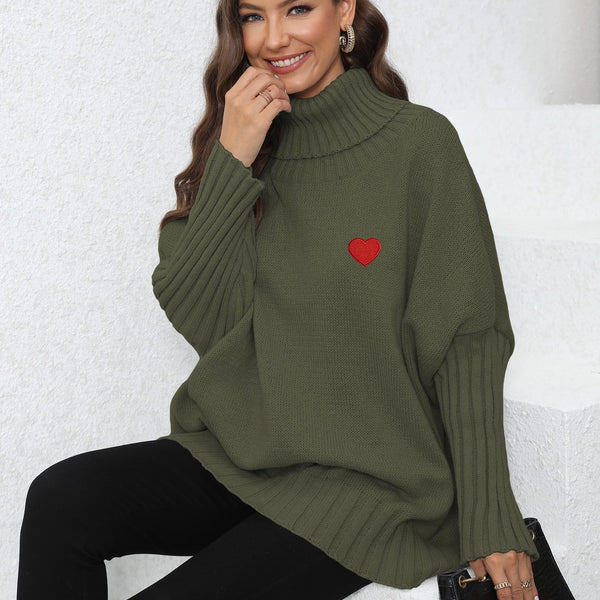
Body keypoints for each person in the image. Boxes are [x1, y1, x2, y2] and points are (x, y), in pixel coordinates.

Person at [16, 1, 541, 599]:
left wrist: (489, 515)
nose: (273, 38)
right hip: (246, 456)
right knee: (61, 500)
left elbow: (467, 339)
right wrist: (232, 157)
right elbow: (205, 317)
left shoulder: (419, 144)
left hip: (368, 485)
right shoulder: (246, 144)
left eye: (297, 8)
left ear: (344, 11)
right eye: (252, 16)